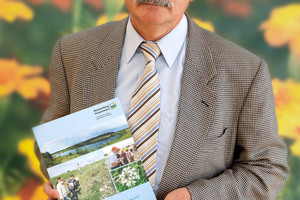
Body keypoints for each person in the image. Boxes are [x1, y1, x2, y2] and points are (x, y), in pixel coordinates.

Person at [37, 0, 289, 199]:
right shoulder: (72, 52)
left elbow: (266, 168)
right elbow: (54, 140)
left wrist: (196, 197)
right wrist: (61, 177)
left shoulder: (245, 70)